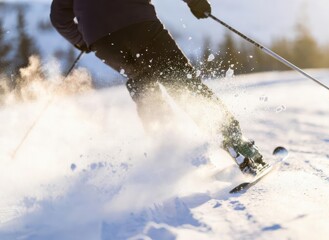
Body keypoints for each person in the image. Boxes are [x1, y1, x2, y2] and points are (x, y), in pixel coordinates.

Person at [50, 0, 268, 175]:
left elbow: (59, 16)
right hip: (139, 24)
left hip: (102, 41)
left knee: (144, 86)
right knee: (182, 83)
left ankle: (169, 158)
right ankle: (237, 145)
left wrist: (81, 40)